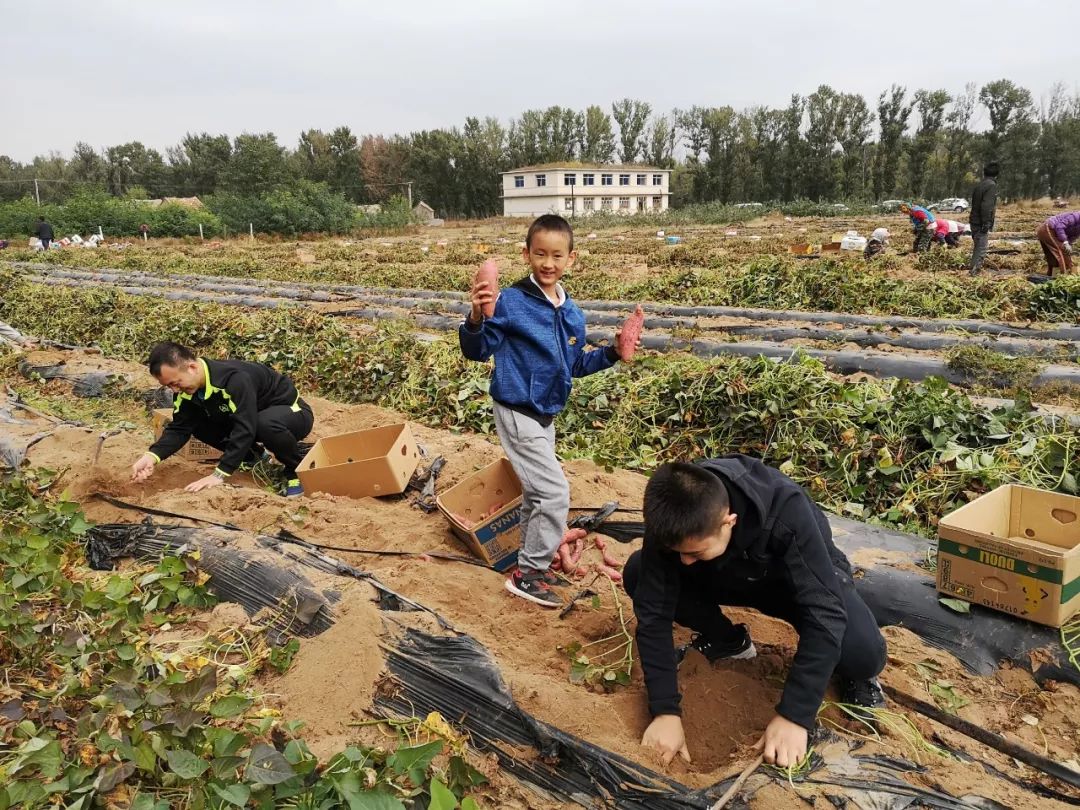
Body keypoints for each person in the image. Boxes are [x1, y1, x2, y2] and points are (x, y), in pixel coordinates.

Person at [627, 456, 888, 768]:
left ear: (729, 521)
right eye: (678, 553)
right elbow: (654, 615)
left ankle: (854, 675)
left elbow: (824, 610)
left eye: (694, 552)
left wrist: (795, 716)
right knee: (639, 573)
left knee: (863, 654)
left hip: (793, 583)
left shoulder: (785, 508)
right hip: (725, 575)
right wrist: (665, 710)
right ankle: (729, 642)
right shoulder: (675, 514)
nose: (684, 561)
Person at [460, 215, 633, 608]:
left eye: (557, 255)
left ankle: (529, 561)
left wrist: (611, 352)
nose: (548, 263)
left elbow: (573, 366)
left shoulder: (572, 312)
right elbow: (477, 350)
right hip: (517, 408)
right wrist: (475, 317)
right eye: (540, 254)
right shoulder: (512, 302)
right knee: (554, 492)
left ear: (571, 259)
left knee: (537, 494)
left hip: (545, 414)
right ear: (526, 255)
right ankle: (529, 574)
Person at [131, 342, 314, 497]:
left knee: (263, 423)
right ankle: (254, 457)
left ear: (192, 368)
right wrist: (151, 456)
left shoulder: (234, 379)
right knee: (197, 422)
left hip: (292, 413)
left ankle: (296, 470)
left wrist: (219, 474)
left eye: (175, 383)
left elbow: (246, 426)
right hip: (254, 418)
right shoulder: (187, 393)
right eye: (169, 386)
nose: (175, 390)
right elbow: (179, 428)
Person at [969, 162, 999, 275]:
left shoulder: (980, 185)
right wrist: (986, 223)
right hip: (980, 222)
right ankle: (974, 274)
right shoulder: (991, 186)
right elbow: (986, 206)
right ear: (997, 174)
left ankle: (972, 271)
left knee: (977, 247)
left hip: (974, 221)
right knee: (981, 249)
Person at [1036, 210, 1079, 277]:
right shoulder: (1076, 216)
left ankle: (1051, 276)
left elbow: (1073, 236)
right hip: (1048, 229)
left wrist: (1068, 244)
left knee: (1053, 258)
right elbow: (1060, 226)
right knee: (1061, 252)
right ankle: (1064, 277)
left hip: (1055, 233)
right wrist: (1065, 242)